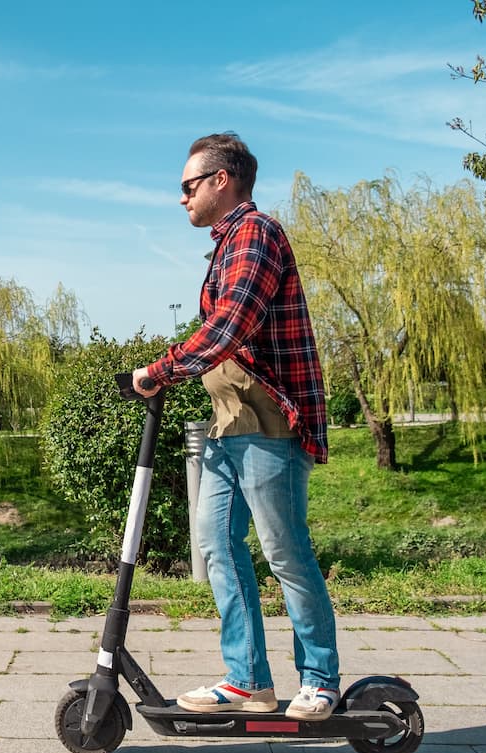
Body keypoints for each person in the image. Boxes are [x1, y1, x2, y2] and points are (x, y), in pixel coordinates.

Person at [131, 133, 339, 722]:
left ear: (222, 180)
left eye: (187, 186)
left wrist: (162, 369)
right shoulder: (226, 244)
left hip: (268, 420)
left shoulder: (256, 233)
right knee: (216, 544)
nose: (182, 199)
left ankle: (319, 681)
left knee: (285, 552)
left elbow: (234, 323)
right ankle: (248, 680)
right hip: (229, 423)